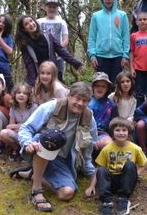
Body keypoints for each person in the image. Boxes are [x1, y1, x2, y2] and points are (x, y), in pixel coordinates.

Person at [17, 82, 97, 212]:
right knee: (52, 137)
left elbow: (89, 145)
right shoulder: (51, 107)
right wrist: (27, 143)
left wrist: (90, 170)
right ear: (69, 96)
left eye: (85, 100)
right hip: (39, 150)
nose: (80, 103)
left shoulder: (88, 117)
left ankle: (34, 174)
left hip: (63, 160)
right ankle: (36, 190)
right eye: (77, 98)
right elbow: (26, 128)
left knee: (67, 193)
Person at [85, 117, 147, 215]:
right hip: (111, 181)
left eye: (124, 130)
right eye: (117, 130)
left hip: (126, 180)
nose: (121, 133)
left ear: (128, 132)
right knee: (102, 169)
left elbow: (144, 164)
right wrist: (91, 186)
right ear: (112, 132)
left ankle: (123, 198)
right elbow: (98, 168)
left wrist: (135, 174)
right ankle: (106, 202)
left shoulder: (135, 148)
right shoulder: (107, 149)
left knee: (130, 164)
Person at [15, 15, 83, 86]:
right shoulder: (25, 44)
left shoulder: (48, 36)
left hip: (52, 73)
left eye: (31, 21)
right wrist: (33, 82)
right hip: (38, 75)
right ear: (24, 29)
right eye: (26, 24)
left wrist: (76, 63)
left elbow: (61, 51)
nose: (31, 24)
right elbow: (29, 64)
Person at [88, 0, 130, 83]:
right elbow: (92, 37)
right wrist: (92, 55)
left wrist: (125, 55)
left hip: (118, 56)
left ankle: (115, 99)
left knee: (117, 85)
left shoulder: (122, 15)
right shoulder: (96, 16)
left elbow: (126, 36)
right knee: (102, 84)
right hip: (101, 56)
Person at [0, 82, 38, 161]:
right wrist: (22, 126)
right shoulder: (13, 107)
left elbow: (33, 126)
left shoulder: (34, 107)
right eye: (19, 92)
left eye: (25, 93)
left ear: (29, 96)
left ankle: (27, 150)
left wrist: (18, 126)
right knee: (3, 133)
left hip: (31, 137)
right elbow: (10, 126)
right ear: (15, 95)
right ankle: (17, 149)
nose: (21, 95)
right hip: (19, 135)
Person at [37, 0, 69, 82]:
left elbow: (65, 39)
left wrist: (58, 49)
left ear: (57, 9)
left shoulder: (62, 22)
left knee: (58, 78)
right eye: (49, 7)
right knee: (42, 78)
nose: (52, 9)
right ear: (45, 8)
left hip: (58, 57)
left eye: (54, 7)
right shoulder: (39, 22)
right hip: (43, 56)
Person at [89, 72, 119, 151]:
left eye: (103, 86)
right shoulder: (86, 101)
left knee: (108, 144)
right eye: (98, 86)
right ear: (93, 87)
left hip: (102, 134)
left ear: (107, 88)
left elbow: (115, 124)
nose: (100, 88)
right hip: (85, 133)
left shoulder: (111, 105)